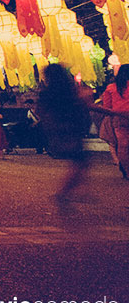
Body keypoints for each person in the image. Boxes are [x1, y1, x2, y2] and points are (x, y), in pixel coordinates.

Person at [37, 64, 95, 202]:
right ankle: (64, 193)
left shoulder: (47, 93)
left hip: (60, 130)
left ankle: (72, 191)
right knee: (80, 161)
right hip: (71, 130)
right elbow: (85, 105)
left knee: (80, 161)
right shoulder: (70, 90)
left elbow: (40, 111)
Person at [99, 64, 129, 179]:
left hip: (119, 118)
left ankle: (126, 171)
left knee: (123, 146)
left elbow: (107, 106)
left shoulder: (111, 88)